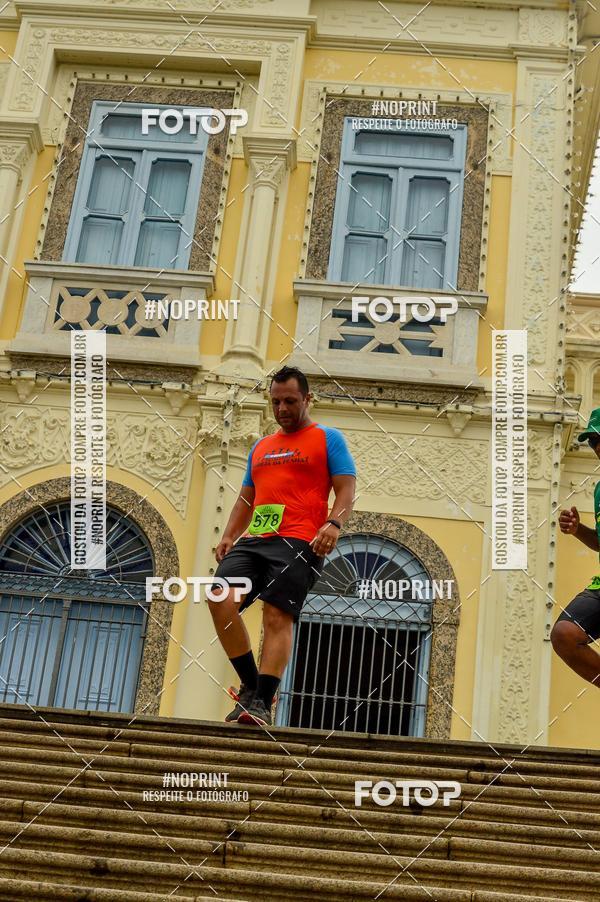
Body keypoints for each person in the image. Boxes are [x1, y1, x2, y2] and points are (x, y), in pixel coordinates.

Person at [209, 365, 357, 726]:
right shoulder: (262, 446)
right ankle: (250, 686)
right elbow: (247, 498)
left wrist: (334, 523)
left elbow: (347, 490)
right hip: (256, 538)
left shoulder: (327, 438)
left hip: (299, 540)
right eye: (275, 402)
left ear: (307, 399)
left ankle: (261, 701)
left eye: (290, 401)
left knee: (276, 615)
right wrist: (229, 534)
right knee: (219, 597)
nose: (282, 409)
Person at [551, 408, 600, 685]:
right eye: (592, 441)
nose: (597, 447)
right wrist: (577, 529)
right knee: (564, 634)